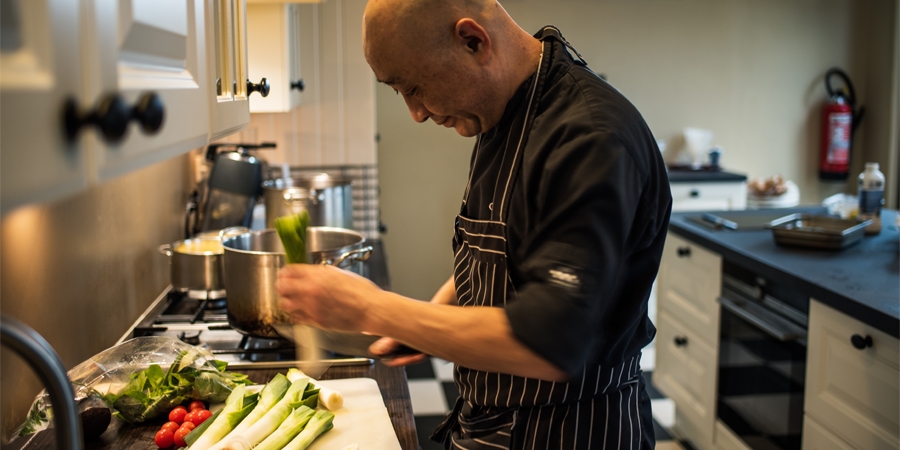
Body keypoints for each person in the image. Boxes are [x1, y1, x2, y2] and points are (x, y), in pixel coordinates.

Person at [276, 0, 672, 448]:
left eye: (414, 87)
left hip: (571, 430)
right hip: (497, 420)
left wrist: (375, 308)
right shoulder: (505, 112)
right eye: (399, 93)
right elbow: (502, 253)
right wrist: (429, 320)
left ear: (473, 41)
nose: (416, 113)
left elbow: (549, 341)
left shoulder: (589, 140)